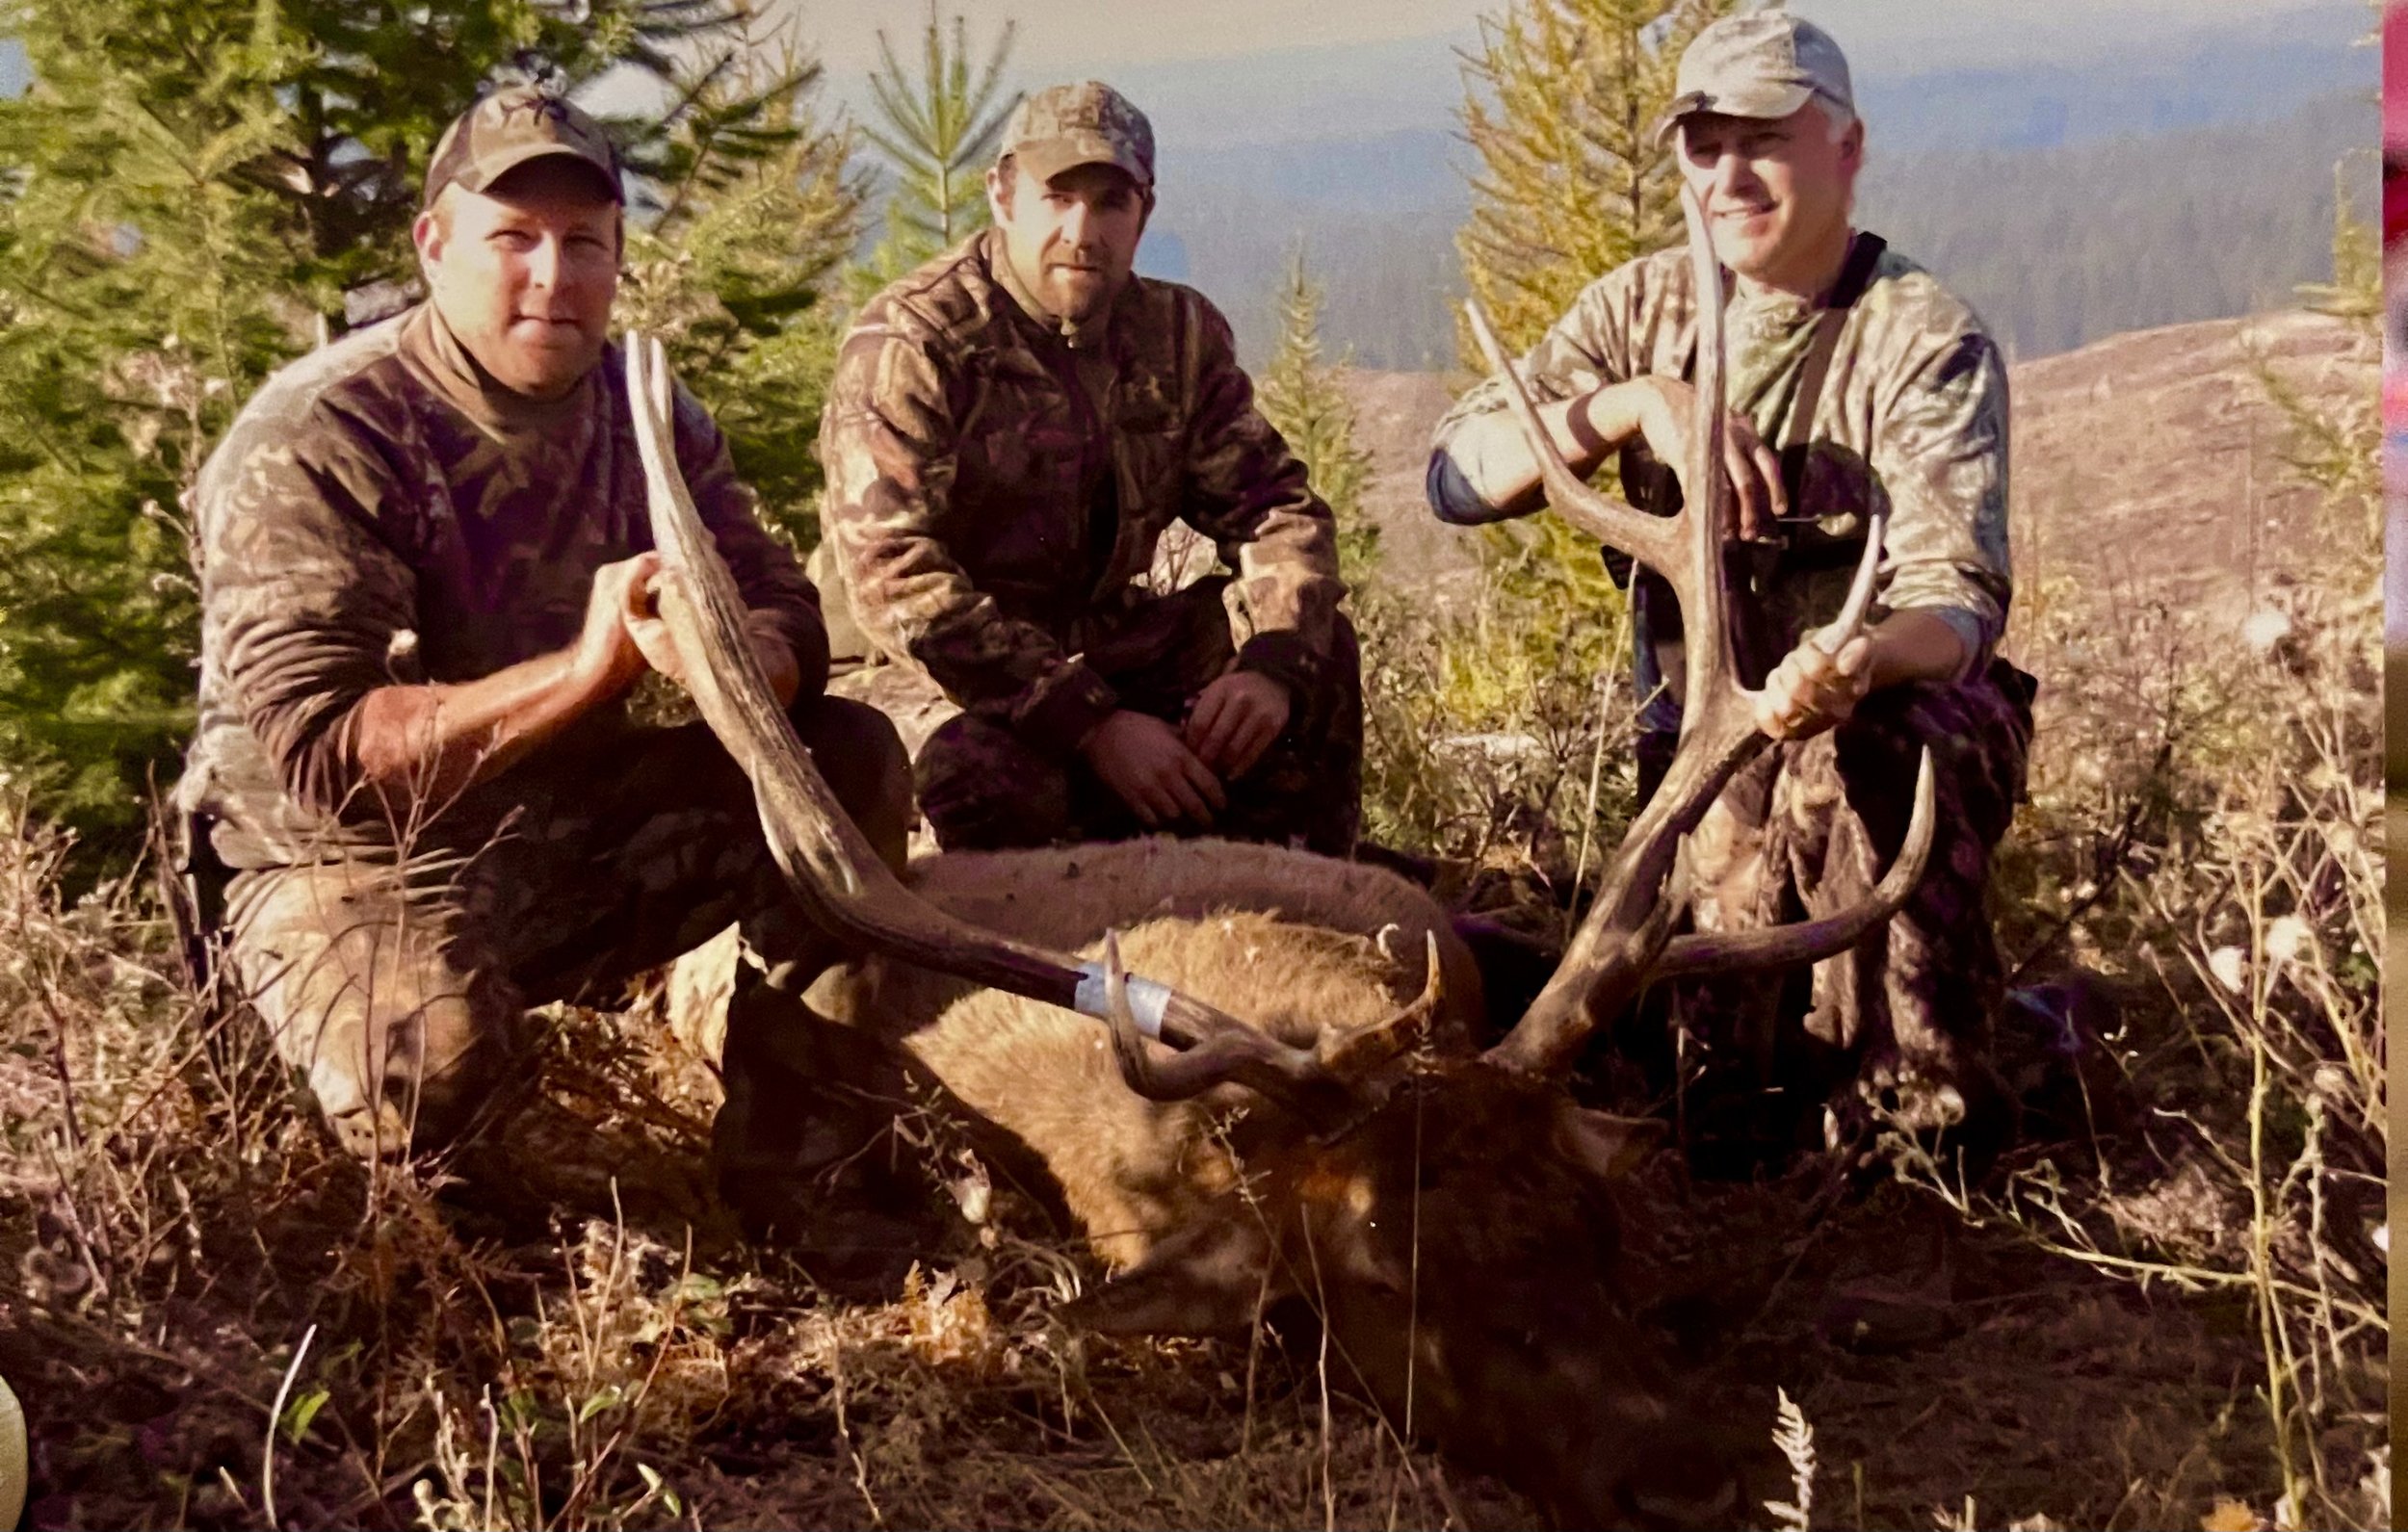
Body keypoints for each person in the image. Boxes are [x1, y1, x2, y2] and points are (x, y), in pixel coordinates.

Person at [175, 85, 913, 1163]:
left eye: (585, 243)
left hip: (563, 820)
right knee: (429, 1078)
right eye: (512, 238)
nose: (552, 276)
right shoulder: (320, 434)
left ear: (619, 256)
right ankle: (452, 1260)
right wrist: (586, 669)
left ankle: (813, 1175)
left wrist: (739, 660)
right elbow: (330, 753)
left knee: (844, 761)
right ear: (433, 246)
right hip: (351, 861)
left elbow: (786, 605)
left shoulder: (647, 409)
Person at [1426, 14, 2035, 1151]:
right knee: (1712, 1107)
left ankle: (1930, 1100)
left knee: (1883, 1091)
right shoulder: (1639, 311)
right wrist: (1633, 403)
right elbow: (1457, 475)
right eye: (1703, 145)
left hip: (1863, 727)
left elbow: (1959, 603)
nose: (1727, 173)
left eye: (1764, 139)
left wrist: (1860, 660)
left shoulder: (1920, 338)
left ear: (1846, 149)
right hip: (1702, 762)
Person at [818, 81, 1360, 857]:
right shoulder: (915, 344)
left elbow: (1276, 505)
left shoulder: (1174, 335)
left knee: (1319, 649)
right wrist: (1090, 723)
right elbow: (895, 579)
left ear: (1143, 213)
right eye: (1057, 197)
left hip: (1106, 644)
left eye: (1111, 203)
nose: (1083, 230)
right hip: (932, 675)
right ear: (1002, 197)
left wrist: (1270, 667)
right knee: (974, 775)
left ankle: (1294, 891)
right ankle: (1043, 953)